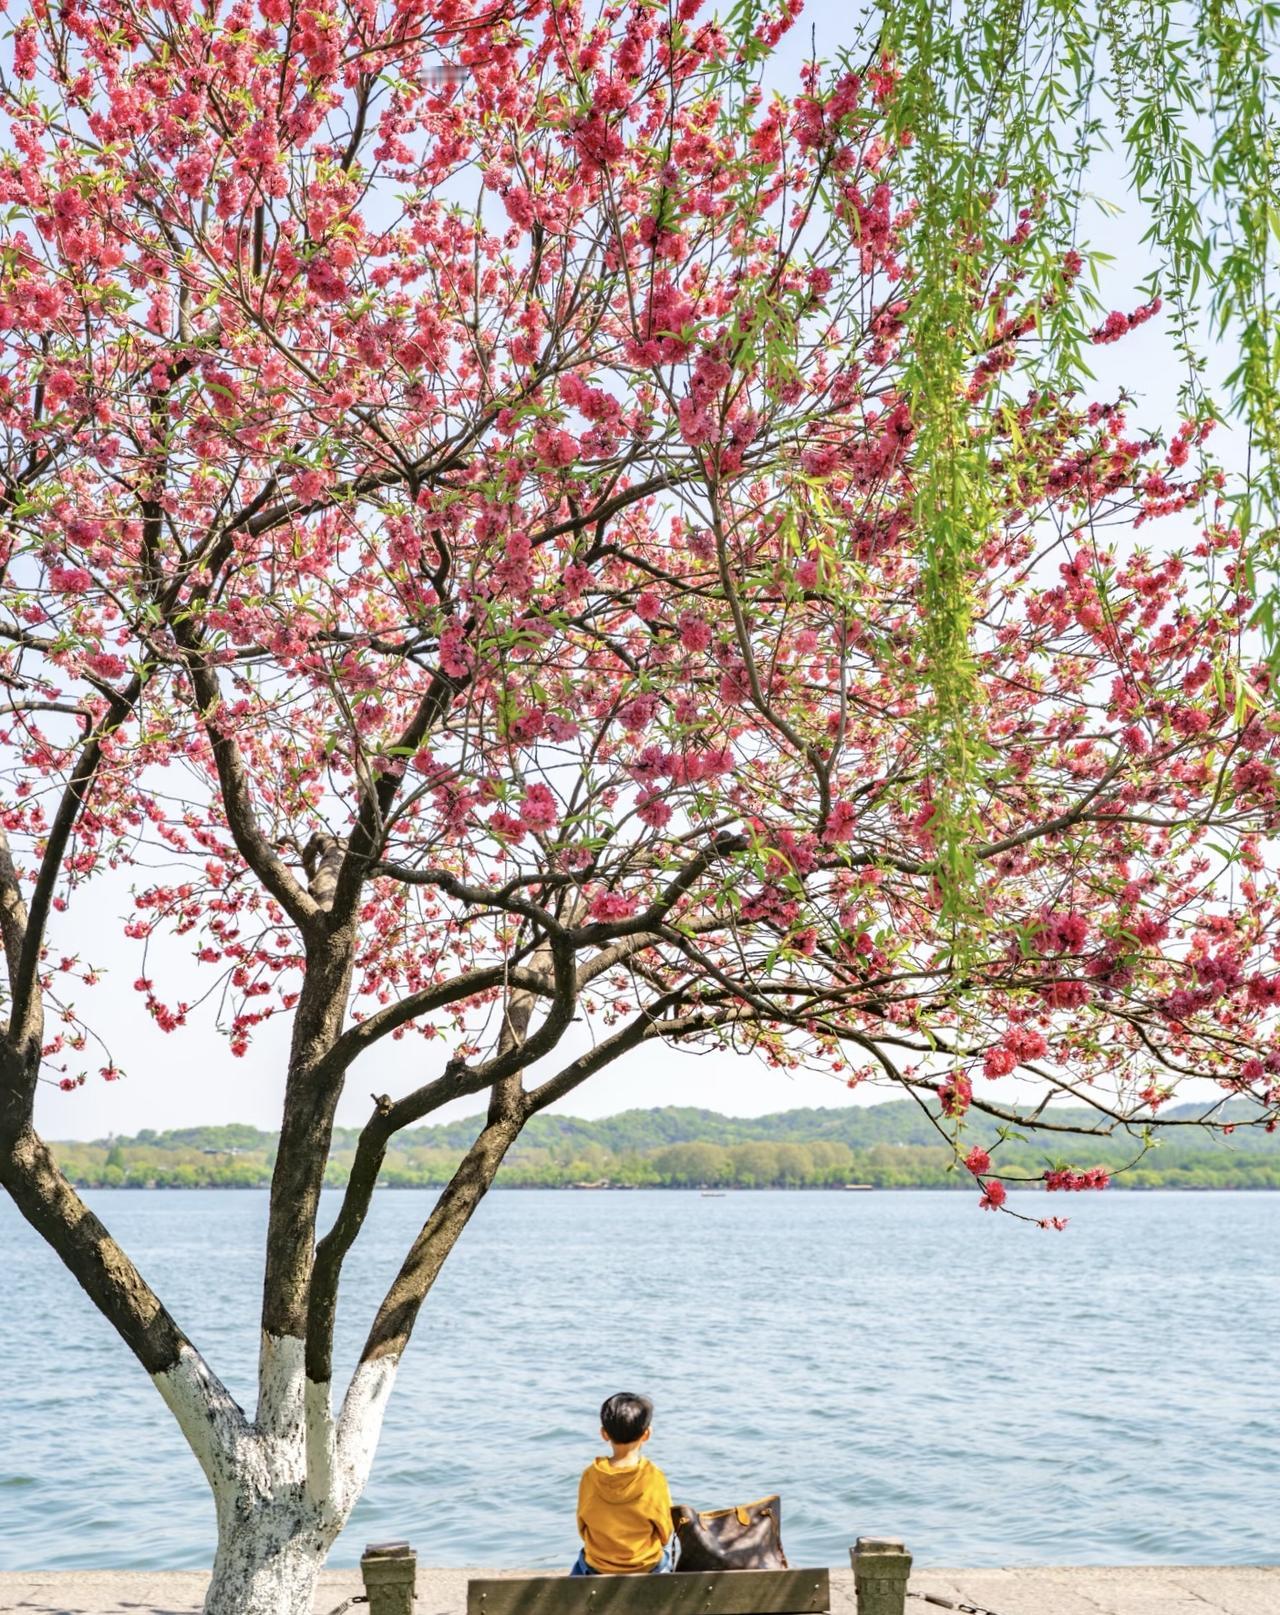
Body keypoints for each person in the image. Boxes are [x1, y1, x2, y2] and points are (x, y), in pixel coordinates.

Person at [571, 1392, 677, 1576]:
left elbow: (583, 1526)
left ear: (604, 1433)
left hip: (597, 1568)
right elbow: (665, 1532)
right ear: (647, 1434)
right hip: (647, 1566)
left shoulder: (590, 1475)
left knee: (582, 1562)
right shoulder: (653, 1476)